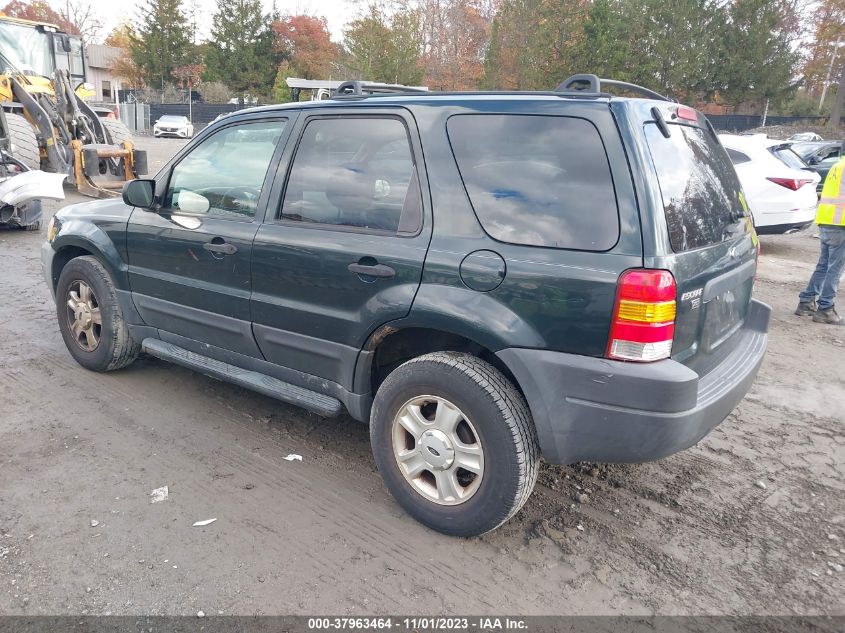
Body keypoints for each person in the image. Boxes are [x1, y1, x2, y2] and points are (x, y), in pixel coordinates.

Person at [795, 148, 845, 325]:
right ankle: (825, 309)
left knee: (824, 265)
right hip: (841, 224)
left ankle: (806, 302)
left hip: (827, 220)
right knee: (835, 268)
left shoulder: (838, 165)